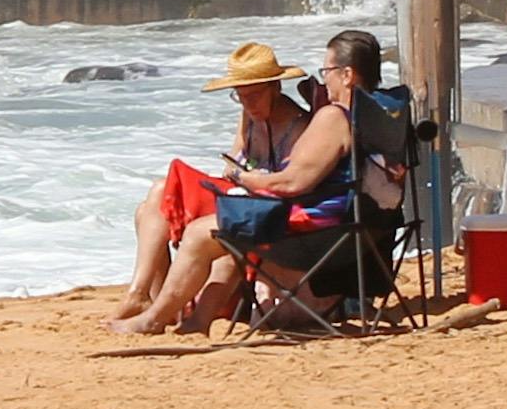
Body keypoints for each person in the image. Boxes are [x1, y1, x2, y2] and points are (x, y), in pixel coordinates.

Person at [135, 41, 376, 335]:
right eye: (240, 96)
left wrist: (247, 180)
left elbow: (293, 183)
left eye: (326, 70)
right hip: (330, 221)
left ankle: (160, 317)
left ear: (347, 74)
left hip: (312, 226)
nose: (323, 78)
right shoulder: (372, 113)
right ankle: (167, 309)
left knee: (204, 231)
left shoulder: (331, 117)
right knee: (163, 199)